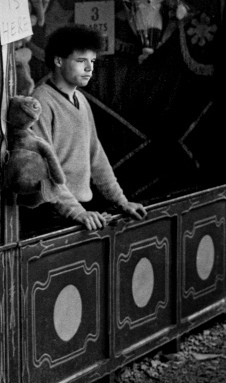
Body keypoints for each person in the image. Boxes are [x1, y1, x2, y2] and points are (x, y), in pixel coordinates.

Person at [29, 25, 147, 231]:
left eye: (92, 61)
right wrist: (76, 212)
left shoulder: (81, 100)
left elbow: (96, 156)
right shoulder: (40, 101)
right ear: (58, 61)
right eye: (81, 61)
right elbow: (43, 169)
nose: (89, 69)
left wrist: (121, 201)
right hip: (52, 211)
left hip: (80, 208)